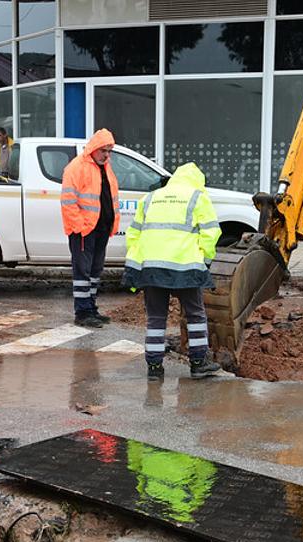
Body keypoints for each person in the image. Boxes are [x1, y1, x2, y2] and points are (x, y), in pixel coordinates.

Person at [123, 162, 222, 381]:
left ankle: (154, 368)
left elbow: (133, 235)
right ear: (198, 182)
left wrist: (138, 264)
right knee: (195, 314)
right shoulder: (197, 197)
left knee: (156, 318)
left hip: (151, 267)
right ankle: (198, 363)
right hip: (185, 267)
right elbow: (211, 233)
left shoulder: (150, 198)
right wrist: (204, 262)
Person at [62, 129, 121, 328]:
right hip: (84, 230)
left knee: (95, 270)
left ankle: (91, 308)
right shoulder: (77, 167)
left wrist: (112, 223)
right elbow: (68, 201)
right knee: (82, 271)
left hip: (101, 228)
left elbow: (111, 198)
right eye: (104, 150)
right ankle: (82, 312)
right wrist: (79, 227)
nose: (107, 155)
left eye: (109, 151)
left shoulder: (105, 168)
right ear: (94, 149)